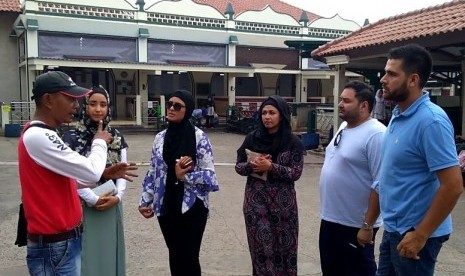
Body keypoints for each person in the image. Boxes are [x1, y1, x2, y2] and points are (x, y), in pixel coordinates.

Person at [18, 71, 135, 275]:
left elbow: (68, 178)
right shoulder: (39, 136)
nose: (76, 105)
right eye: (70, 98)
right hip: (54, 246)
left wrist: (105, 173)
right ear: (48, 100)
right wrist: (99, 141)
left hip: (61, 243)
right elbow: (89, 172)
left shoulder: (45, 134)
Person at [377, 43, 463, 276]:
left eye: (392, 74)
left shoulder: (431, 121)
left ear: (413, 80)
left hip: (415, 233)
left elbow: (453, 185)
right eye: (385, 72)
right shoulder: (398, 114)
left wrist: (421, 235)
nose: (383, 79)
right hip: (394, 228)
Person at [138, 90, 219, 276]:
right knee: (175, 257)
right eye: (169, 104)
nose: (171, 108)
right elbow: (153, 171)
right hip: (166, 207)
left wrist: (185, 177)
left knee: (189, 258)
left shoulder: (199, 138)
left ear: (187, 110)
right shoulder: (160, 138)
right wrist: (145, 200)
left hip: (192, 207)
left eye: (177, 106)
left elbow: (211, 178)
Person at [62, 85, 132, 276]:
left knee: (110, 251)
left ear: (109, 107)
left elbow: (123, 171)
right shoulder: (71, 137)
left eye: (103, 104)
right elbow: (70, 174)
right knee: (86, 254)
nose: (98, 109)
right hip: (81, 204)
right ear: (85, 106)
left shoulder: (116, 136)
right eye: (93, 104)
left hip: (111, 202)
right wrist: (92, 198)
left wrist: (118, 198)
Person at [319, 80, 386, 275]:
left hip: (355, 225)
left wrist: (368, 225)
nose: (340, 104)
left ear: (364, 105)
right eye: (340, 100)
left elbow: (381, 183)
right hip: (331, 220)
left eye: (346, 101)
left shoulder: (376, 134)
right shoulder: (344, 127)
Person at [235, 95, 305, 276]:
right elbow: (239, 166)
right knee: (261, 251)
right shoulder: (251, 139)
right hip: (256, 206)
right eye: (264, 113)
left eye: (272, 113)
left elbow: (295, 173)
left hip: (284, 208)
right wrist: (252, 165)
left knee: (285, 249)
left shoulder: (293, 142)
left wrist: (271, 167)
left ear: (282, 115)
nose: (267, 117)